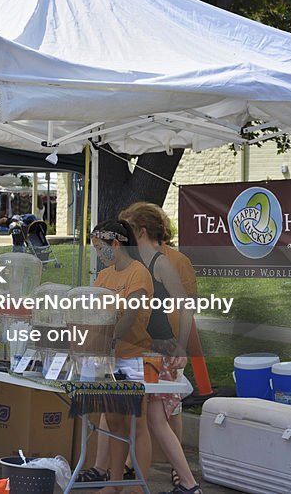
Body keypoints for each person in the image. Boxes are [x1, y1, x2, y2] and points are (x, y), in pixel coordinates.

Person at [120, 202, 202, 494]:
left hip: (160, 350)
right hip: (147, 348)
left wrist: (181, 345)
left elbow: (185, 306)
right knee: (154, 418)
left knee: (156, 418)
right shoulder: (140, 262)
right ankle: (187, 482)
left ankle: (187, 481)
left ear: (142, 231)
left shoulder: (160, 263)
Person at [88, 219, 154, 494]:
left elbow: (131, 315)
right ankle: (114, 484)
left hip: (133, 357)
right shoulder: (103, 277)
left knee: (136, 423)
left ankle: (138, 485)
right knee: (113, 420)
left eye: (101, 247)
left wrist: (110, 338)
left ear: (116, 243)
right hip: (108, 359)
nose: (99, 254)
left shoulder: (138, 273)